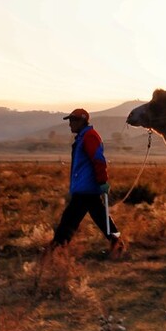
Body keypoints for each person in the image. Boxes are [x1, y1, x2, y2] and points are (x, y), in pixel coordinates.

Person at [49, 108, 126, 258]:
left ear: (81, 121)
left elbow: (99, 160)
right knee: (102, 219)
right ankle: (118, 244)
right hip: (86, 187)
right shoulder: (83, 137)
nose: (70, 124)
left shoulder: (89, 136)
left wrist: (103, 181)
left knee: (69, 219)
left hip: (86, 188)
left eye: (72, 120)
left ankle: (56, 249)